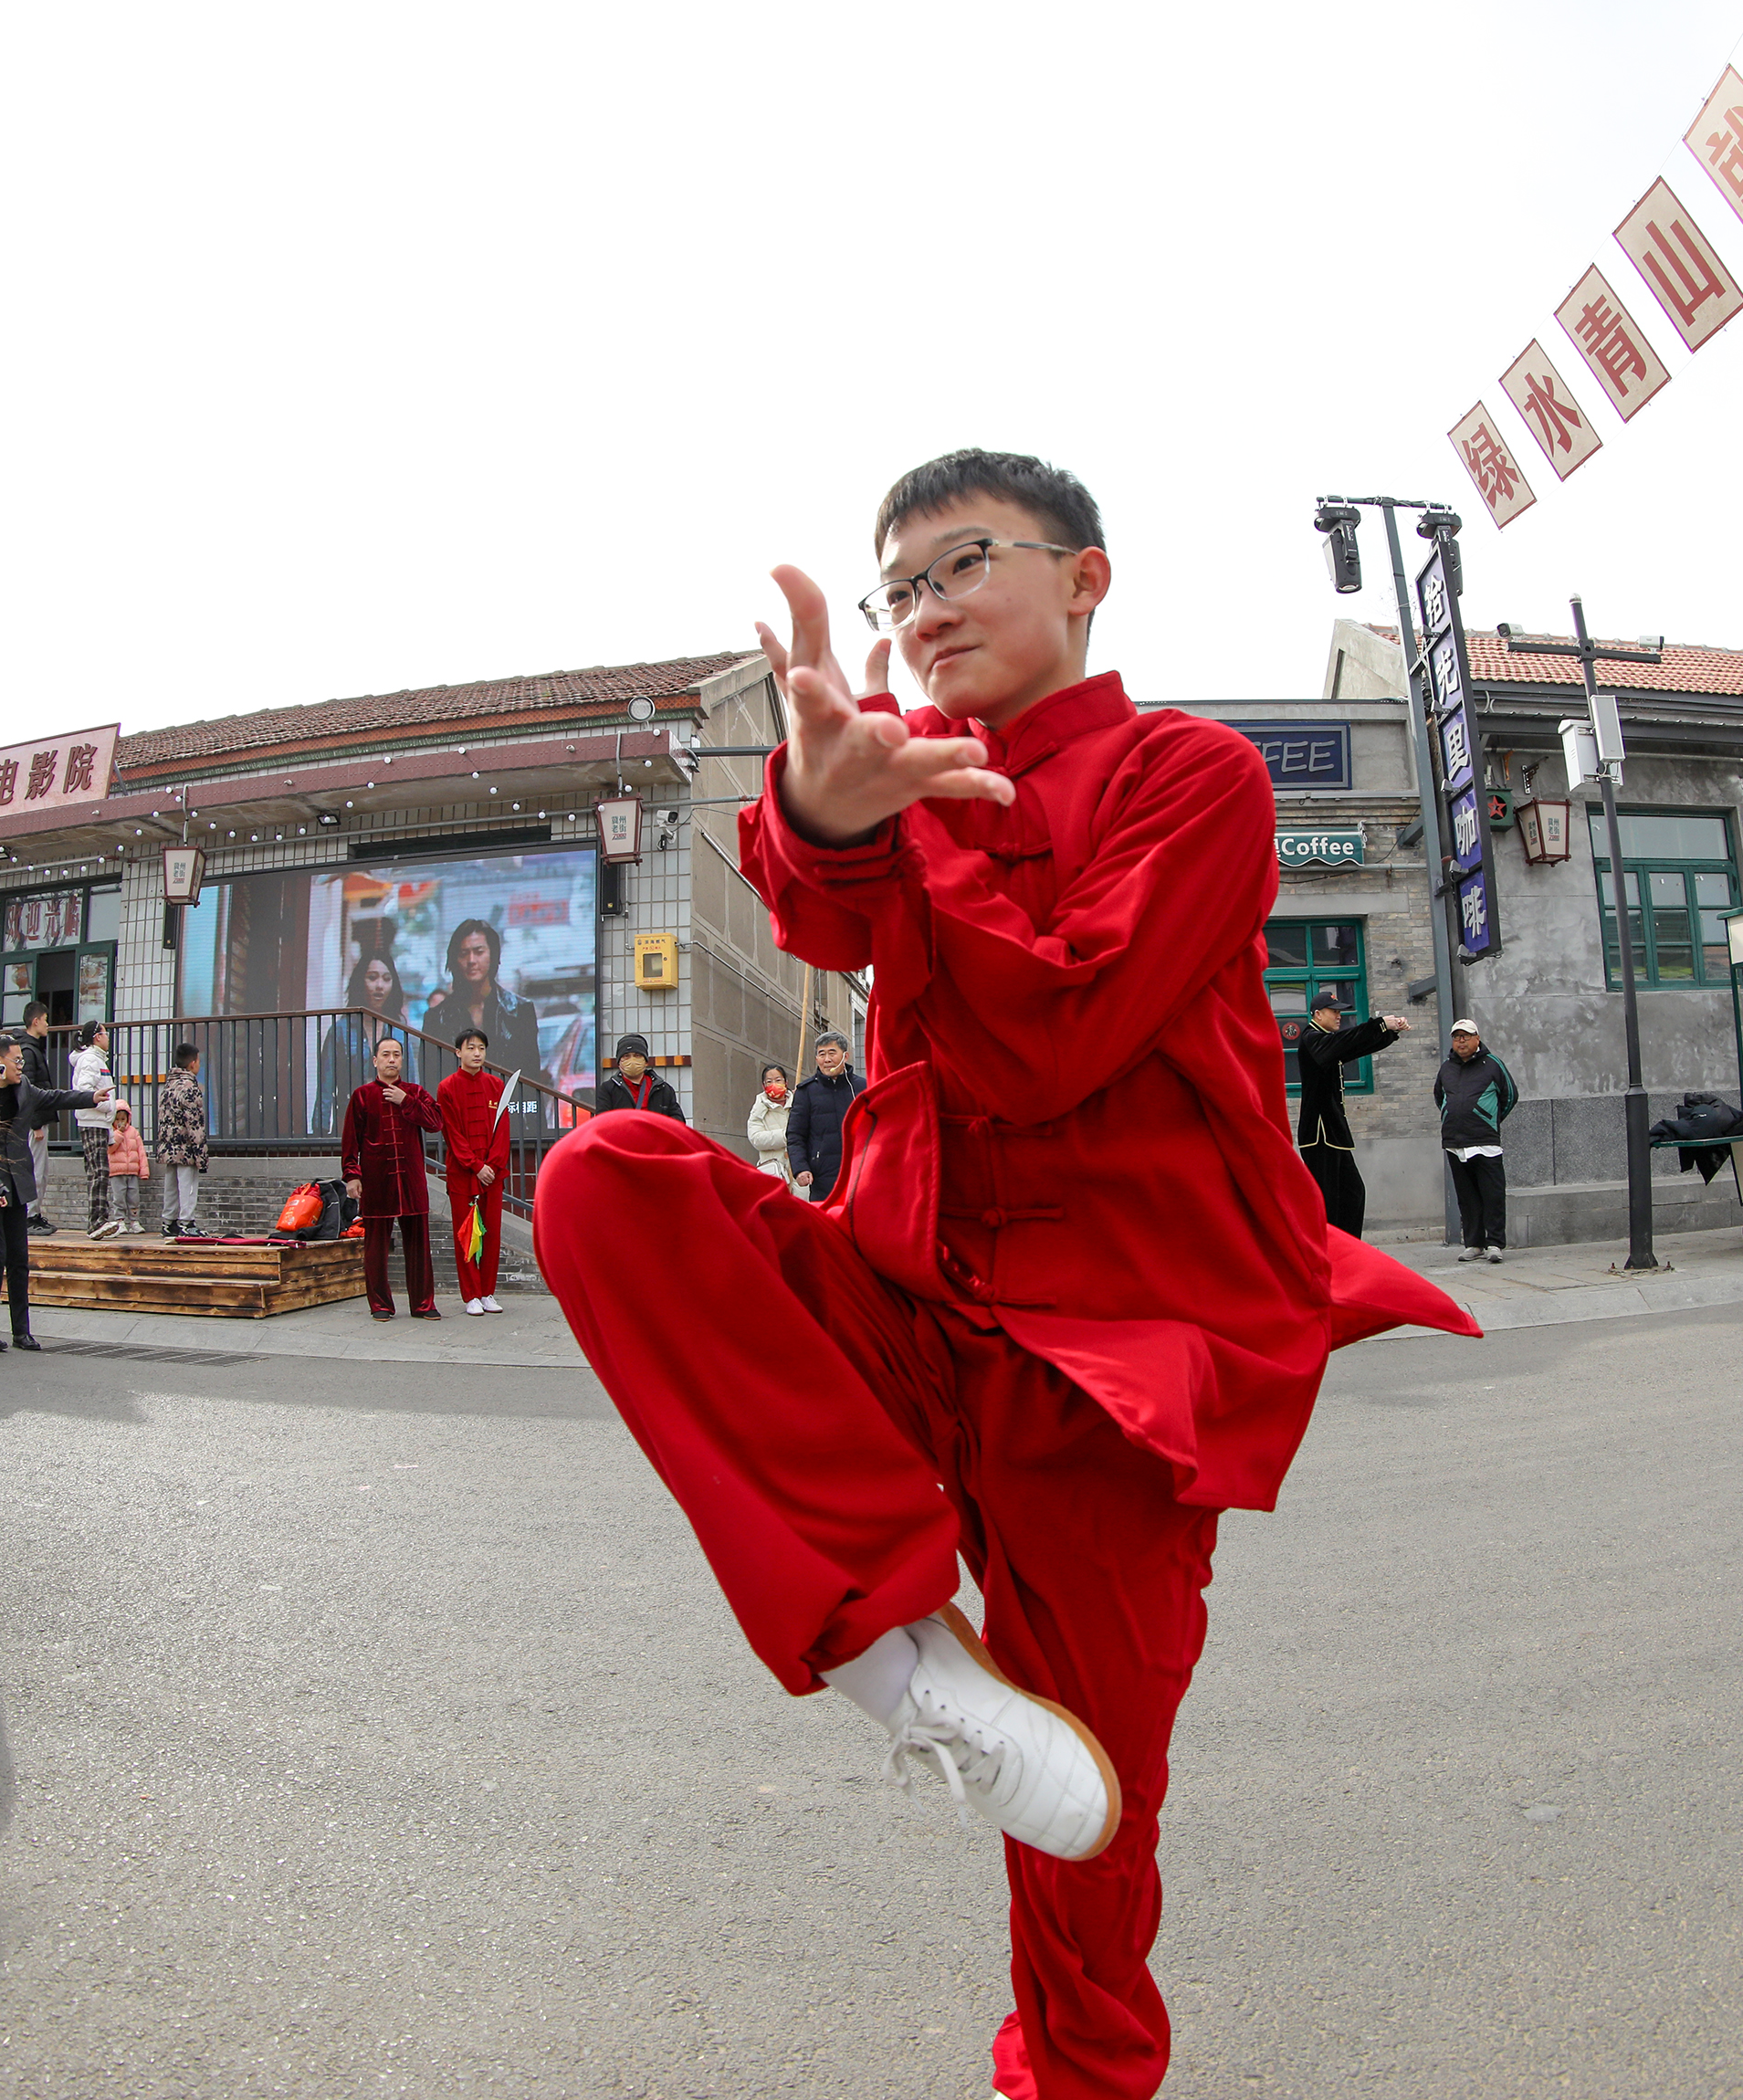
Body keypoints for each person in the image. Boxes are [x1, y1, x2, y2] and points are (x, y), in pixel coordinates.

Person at [532, 448, 1473, 2100]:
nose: (926, 609)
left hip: (1108, 1373)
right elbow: (812, 902)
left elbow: (1052, 1037)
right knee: (605, 1179)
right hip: (909, 1307)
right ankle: (895, 1647)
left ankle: (1074, 2081)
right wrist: (826, 810)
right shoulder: (902, 775)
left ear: (1085, 577)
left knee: (1084, 1815)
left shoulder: (1194, 777)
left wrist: (896, 833)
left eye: (964, 564)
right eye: (902, 588)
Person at [0, 1038, 103, 1350]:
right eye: (16, 1061)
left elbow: (56, 1097)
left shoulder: (25, 1089)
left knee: (19, 1260)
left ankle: (21, 1331)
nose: (21, 1066)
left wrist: (90, 1097)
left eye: (22, 1061)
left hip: (18, 1183)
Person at [1291, 989, 1412, 1239]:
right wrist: (1379, 1024)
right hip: (1320, 1133)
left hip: (1334, 1131)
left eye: (1340, 1012)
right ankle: (1328, 1249)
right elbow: (1345, 1041)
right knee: (1328, 1200)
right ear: (1318, 1014)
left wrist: (1390, 1033)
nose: (1339, 1016)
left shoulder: (1328, 1042)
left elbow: (1356, 1046)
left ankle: (1348, 1248)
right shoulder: (1312, 1039)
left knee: (1353, 1193)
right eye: (1334, 1012)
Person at [341, 1034, 442, 1320]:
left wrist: (405, 1101)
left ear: (402, 1060)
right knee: (375, 1248)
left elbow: (436, 1122)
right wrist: (352, 1175)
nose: (392, 1060)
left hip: (411, 1180)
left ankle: (423, 1304)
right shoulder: (362, 1096)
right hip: (377, 1181)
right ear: (375, 1060)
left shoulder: (414, 1092)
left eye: (396, 1054)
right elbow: (351, 1140)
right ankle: (380, 1304)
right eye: (386, 1055)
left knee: (419, 1246)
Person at [435, 1025, 509, 1315]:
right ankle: (471, 1295)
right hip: (463, 1174)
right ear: (458, 1052)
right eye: (470, 1048)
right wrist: (476, 1166)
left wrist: (493, 1165)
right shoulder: (447, 1088)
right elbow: (452, 1134)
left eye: (481, 1048)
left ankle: (488, 1292)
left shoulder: (496, 1086)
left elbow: (502, 1131)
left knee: (491, 1235)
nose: (477, 1053)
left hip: (493, 1174)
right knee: (466, 1235)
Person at [1433, 1018, 1520, 1264]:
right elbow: (1439, 1097)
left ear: (1477, 1039)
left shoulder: (1492, 1064)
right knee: (1467, 1196)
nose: (1461, 1041)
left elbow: (1510, 1096)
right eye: (1457, 1037)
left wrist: (1489, 1119)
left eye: (1466, 1036)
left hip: (1485, 1142)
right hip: (1455, 1142)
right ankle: (1474, 1243)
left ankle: (1495, 1243)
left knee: (1492, 1195)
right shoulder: (1446, 1068)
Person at [422, 918, 542, 1076]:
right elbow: (431, 1079)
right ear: (454, 960)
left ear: (493, 955)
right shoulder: (436, 1018)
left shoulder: (520, 1010)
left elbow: (531, 1076)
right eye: (464, 954)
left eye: (479, 952)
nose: (471, 960)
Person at [319, 950, 405, 1130]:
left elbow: (410, 1085)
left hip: (391, 1126)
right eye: (372, 978)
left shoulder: (399, 1032)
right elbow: (325, 1089)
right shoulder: (341, 1030)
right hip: (351, 1122)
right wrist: (320, 1135)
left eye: (386, 979)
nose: (379, 986)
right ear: (360, 982)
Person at [782, 1030, 866, 1201]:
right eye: (822, 1054)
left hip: (862, 1172)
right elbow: (795, 1135)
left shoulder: (862, 1088)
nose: (827, 1060)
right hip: (823, 1177)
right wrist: (800, 1168)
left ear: (845, 1056)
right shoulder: (806, 1092)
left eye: (832, 1053)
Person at [70, 1019, 121, 1240]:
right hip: (92, 1120)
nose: (108, 1038)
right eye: (105, 1033)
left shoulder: (96, 1059)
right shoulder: (90, 1059)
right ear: (97, 1037)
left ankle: (100, 1219)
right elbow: (84, 1091)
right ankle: (97, 1221)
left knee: (98, 1171)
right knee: (98, 1171)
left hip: (98, 1121)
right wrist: (107, 1107)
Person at [16, 1003, 65, 1231]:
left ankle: (35, 1214)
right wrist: (35, 1122)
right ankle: (29, 1217)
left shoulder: (33, 1048)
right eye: (45, 1020)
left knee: (42, 1171)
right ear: (35, 1021)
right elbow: (27, 1090)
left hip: (38, 1121)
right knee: (35, 1170)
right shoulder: (28, 1051)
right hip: (33, 1123)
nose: (48, 1024)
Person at [154, 1044, 208, 1235]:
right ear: (193, 1063)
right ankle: (187, 1223)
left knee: (171, 1185)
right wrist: (201, 1154)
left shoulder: (169, 1085)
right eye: (198, 1061)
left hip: (169, 1146)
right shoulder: (190, 1087)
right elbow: (195, 1123)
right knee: (188, 1186)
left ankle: (168, 1222)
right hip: (186, 1147)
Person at [594, 1034, 686, 1121]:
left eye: (637, 1056)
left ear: (646, 1061)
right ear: (619, 1062)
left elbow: (678, 1120)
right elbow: (602, 1121)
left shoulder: (663, 1089)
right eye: (626, 1056)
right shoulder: (608, 1089)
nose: (632, 1060)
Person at [744, 1064, 798, 1185]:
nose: (774, 1084)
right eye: (769, 1081)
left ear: (786, 1082)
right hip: (773, 1172)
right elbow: (756, 1138)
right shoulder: (758, 1109)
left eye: (778, 1080)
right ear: (763, 1086)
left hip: (799, 1172)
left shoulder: (798, 1104)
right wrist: (787, 1135)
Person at [105, 1098, 150, 1234]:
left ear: (128, 1118)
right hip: (116, 1172)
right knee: (119, 1198)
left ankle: (134, 1221)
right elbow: (110, 1149)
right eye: (117, 1119)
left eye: (123, 1119)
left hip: (132, 1171)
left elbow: (141, 1151)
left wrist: (144, 1171)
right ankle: (120, 1221)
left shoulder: (133, 1132)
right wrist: (119, 1133)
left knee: (133, 1198)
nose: (120, 1122)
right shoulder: (111, 1133)